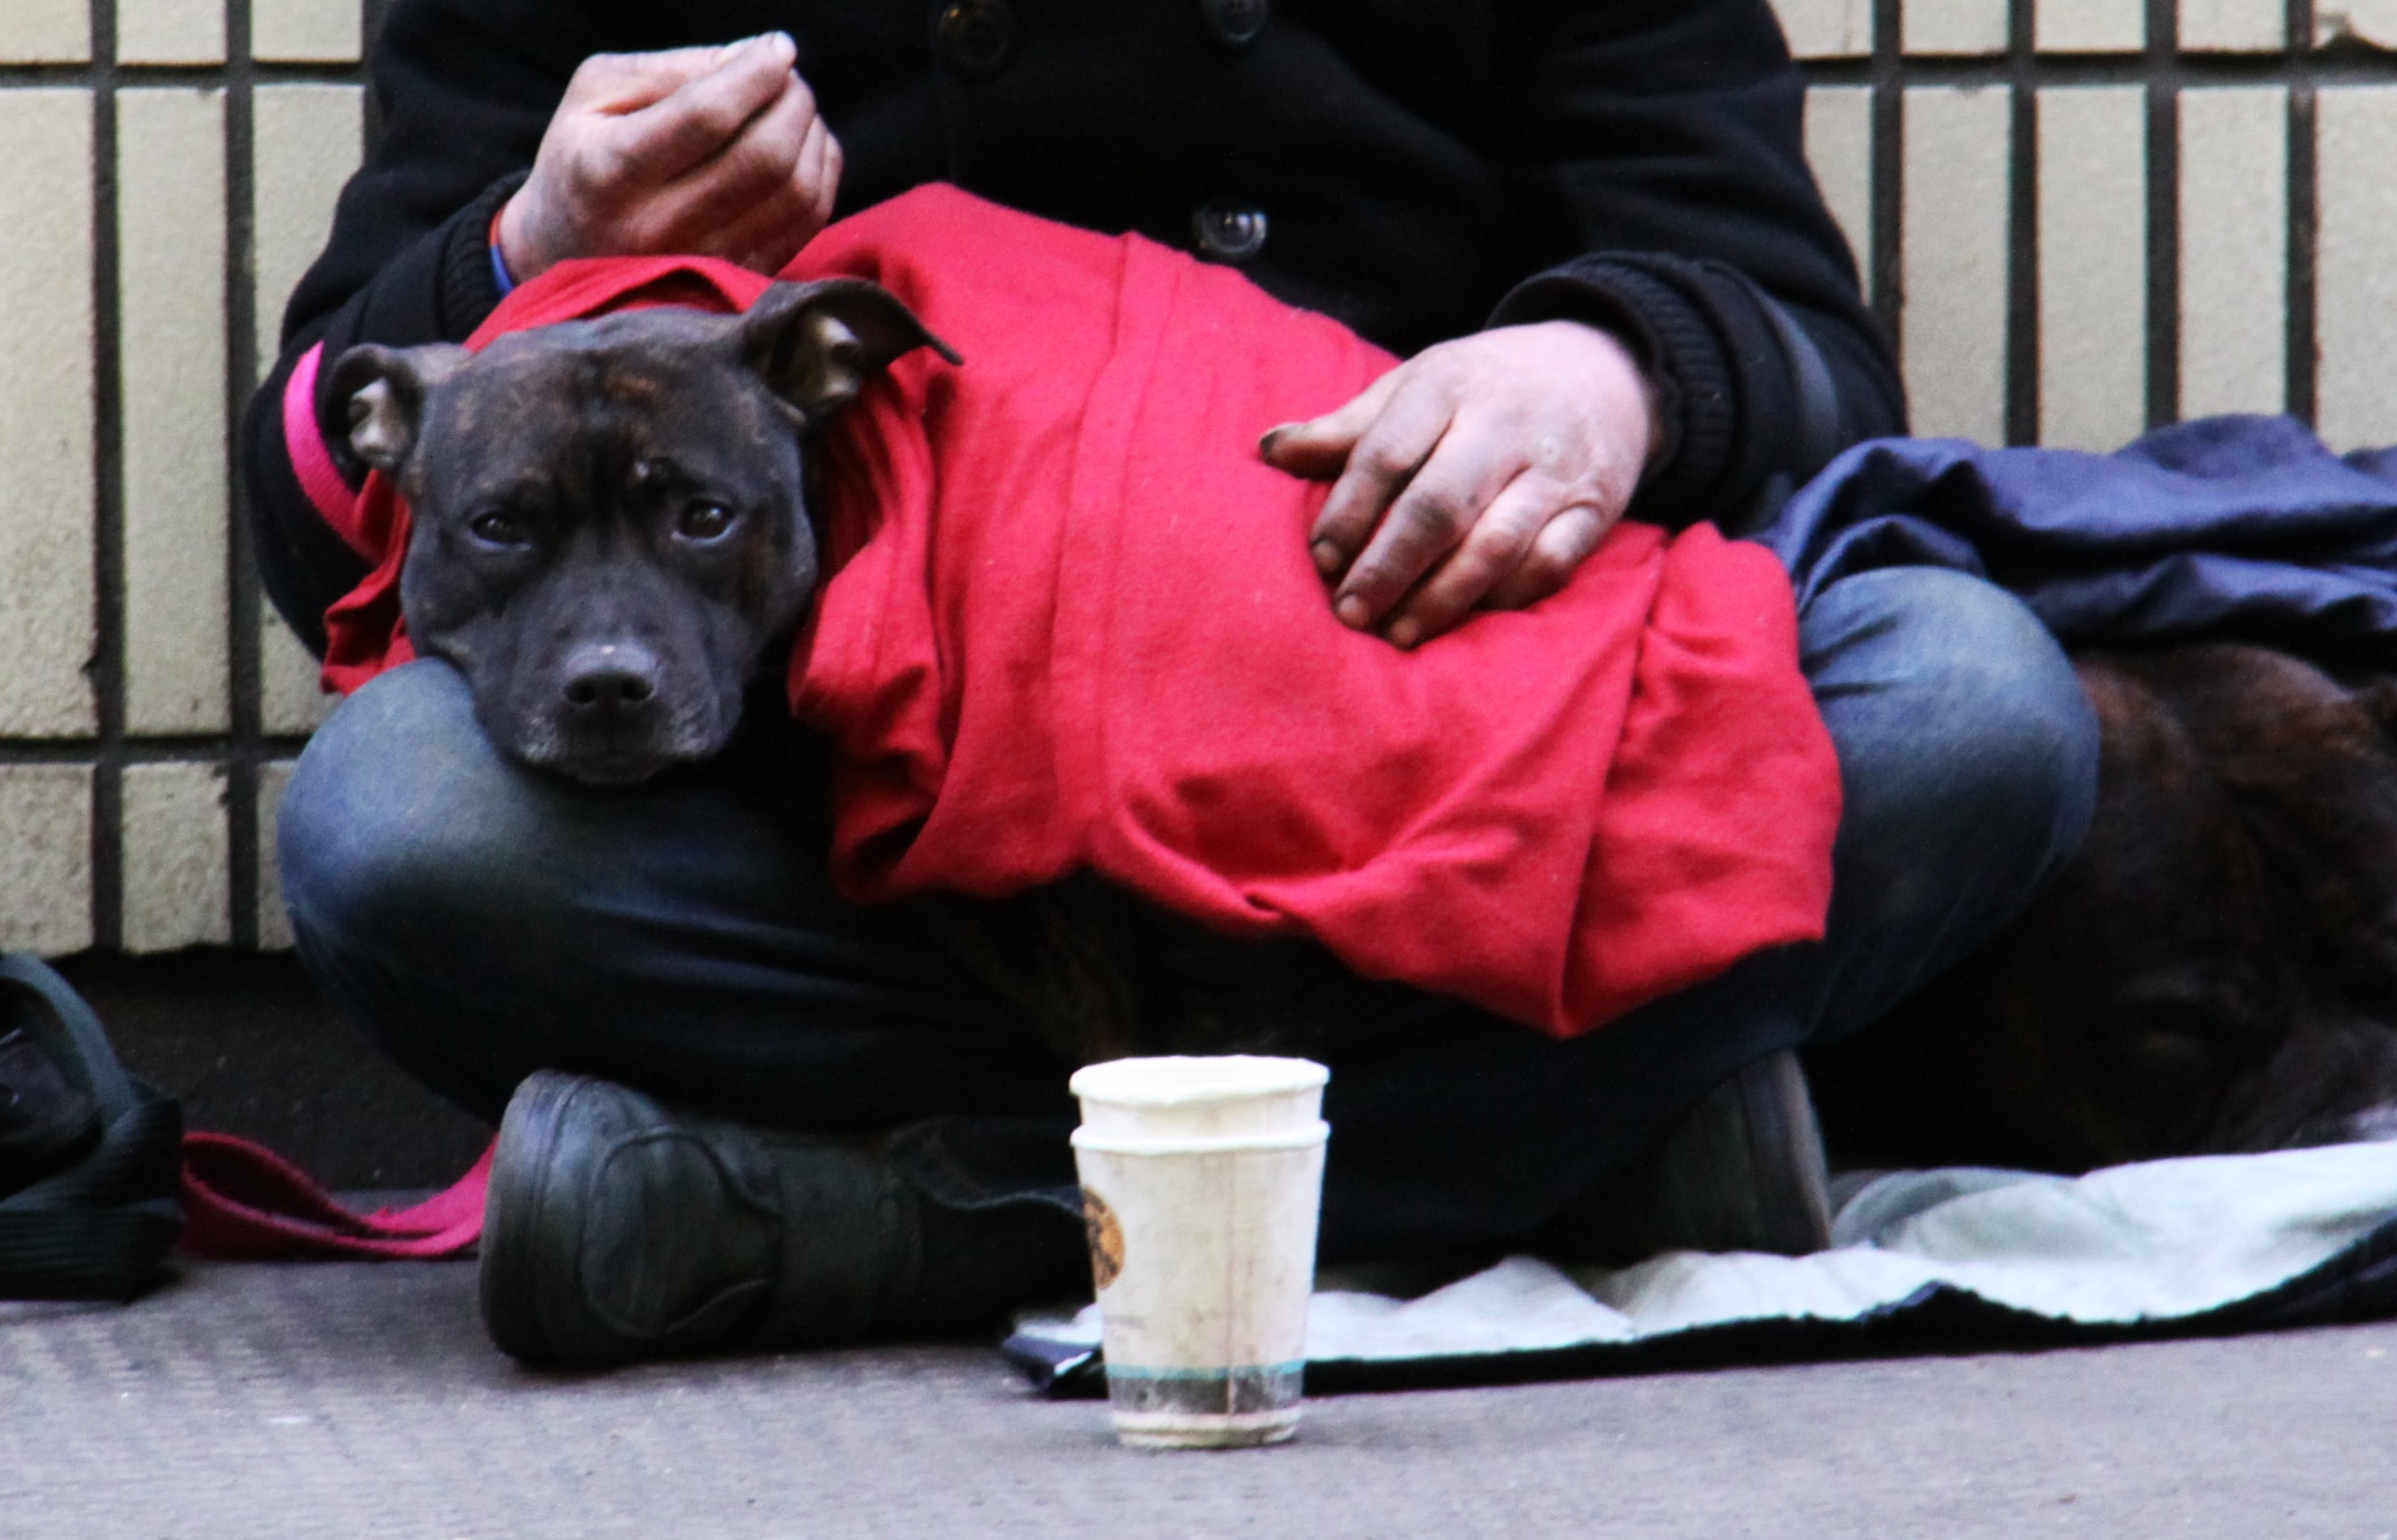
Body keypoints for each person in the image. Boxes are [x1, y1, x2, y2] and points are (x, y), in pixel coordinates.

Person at [248, 0, 2097, 1365]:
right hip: (850, 810)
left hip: (1409, 701)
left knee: (1967, 703)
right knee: (400, 824)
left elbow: (1794, 339)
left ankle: (874, 1220)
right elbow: (314, 489)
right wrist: (532, 247)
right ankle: (1523, 1149)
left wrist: (1603, 372)